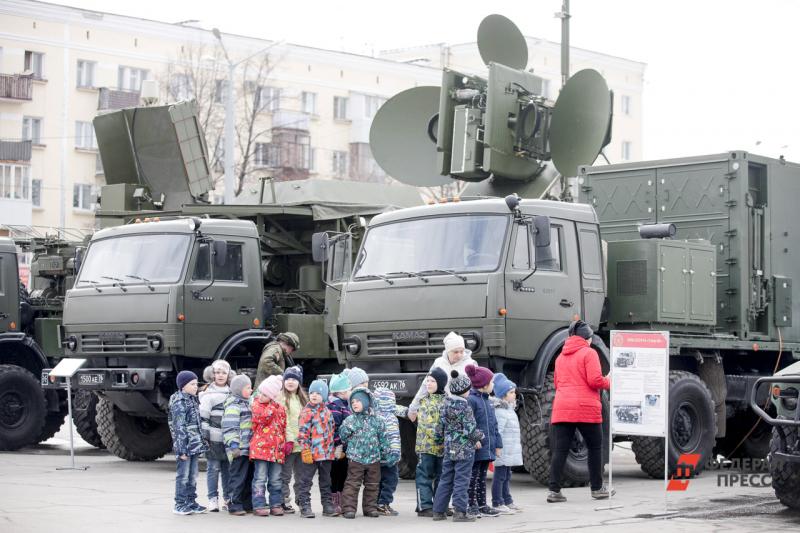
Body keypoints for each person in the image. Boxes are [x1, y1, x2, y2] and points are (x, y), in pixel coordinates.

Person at [548, 319, 611, 503]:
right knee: (595, 447)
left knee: (560, 450)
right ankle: (597, 488)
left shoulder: (561, 357)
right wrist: (609, 381)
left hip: (562, 408)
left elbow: (557, 383)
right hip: (586, 409)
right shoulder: (589, 353)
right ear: (587, 338)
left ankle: (554, 491)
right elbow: (595, 381)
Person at [432, 371, 484, 522]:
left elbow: (439, 427)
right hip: (464, 450)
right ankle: (460, 512)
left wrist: (438, 440)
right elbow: (470, 430)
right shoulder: (465, 407)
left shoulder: (445, 405)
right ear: (465, 390)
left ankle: (438, 511)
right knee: (462, 480)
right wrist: (481, 436)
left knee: (446, 478)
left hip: (449, 448)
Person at [338, 387, 389, 519]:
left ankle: (370, 508)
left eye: (358, 401)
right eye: (352, 402)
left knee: (372, 484)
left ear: (366, 402)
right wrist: (346, 429)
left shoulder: (377, 420)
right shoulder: (350, 420)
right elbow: (343, 437)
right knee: (352, 483)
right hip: (356, 458)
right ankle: (348, 508)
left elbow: (383, 438)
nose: (354, 404)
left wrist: (386, 453)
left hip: (374, 458)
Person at [408, 331, 476, 422]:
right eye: (455, 352)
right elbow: (425, 385)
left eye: (462, 351)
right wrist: (413, 408)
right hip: (444, 412)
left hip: (465, 412)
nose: (459, 355)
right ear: (448, 351)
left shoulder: (470, 364)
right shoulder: (439, 363)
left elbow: (479, 388)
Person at [168, 370, 208, 515]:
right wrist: (181, 450)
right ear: (183, 386)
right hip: (184, 447)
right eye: (192, 384)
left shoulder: (192, 399)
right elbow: (179, 428)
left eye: (196, 383)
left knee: (192, 476)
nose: (195, 386)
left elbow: (196, 424)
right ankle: (179, 504)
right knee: (183, 476)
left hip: (194, 446)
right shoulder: (179, 402)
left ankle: (191, 502)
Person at [465, 364, 503, 518]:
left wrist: (498, 444)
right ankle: (471, 505)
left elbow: (494, 425)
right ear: (484, 385)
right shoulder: (472, 401)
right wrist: (474, 439)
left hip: (487, 447)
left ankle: (482, 504)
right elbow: (468, 423)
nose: (493, 384)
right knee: (472, 478)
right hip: (477, 446)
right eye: (492, 381)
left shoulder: (488, 401)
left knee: (482, 478)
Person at [296, 379, 337, 518]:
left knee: (326, 481)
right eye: (312, 392)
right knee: (306, 480)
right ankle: (304, 505)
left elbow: (331, 432)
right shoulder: (307, 412)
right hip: (311, 453)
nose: (314, 395)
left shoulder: (327, 412)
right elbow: (302, 433)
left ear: (324, 396)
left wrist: (335, 448)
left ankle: (327, 505)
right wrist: (305, 449)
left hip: (326, 454)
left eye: (318, 393)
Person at [198, 360, 234, 512]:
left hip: (228, 438)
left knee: (227, 469)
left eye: (224, 373)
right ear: (212, 374)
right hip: (213, 439)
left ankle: (227, 498)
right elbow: (204, 417)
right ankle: (213, 499)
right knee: (213, 468)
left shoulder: (232, 392)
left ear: (228, 375)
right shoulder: (208, 393)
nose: (220, 375)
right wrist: (205, 437)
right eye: (217, 372)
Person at [250, 374, 287, 517]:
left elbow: (283, 427)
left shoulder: (281, 409)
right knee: (260, 478)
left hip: (277, 451)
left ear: (272, 395)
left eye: (265, 394)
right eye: (260, 392)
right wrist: (272, 405)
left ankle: (275, 504)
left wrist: (284, 444)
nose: (261, 396)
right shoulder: (257, 405)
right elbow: (263, 418)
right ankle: (259, 504)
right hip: (261, 450)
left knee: (276, 479)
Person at [414, 367, 447, 517]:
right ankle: (424, 506)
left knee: (443, 476)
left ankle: (440, 505)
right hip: (425, 446)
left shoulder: (448, 401)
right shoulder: (423, 401)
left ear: (440, 383)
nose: (428, 383)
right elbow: (419, 420)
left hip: (443, 447)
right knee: (424, 476)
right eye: (427, 381)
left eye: (432, 381)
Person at [278, 365, 309, 513]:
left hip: (302, 445)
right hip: (288, 445)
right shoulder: (282, 399)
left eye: (294, 379)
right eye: (288, 378)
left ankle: (301, 499)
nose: (290, 382)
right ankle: (284, 500)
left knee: (302, 476)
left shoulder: (302, 399)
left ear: (299, 382)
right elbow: (284, 422)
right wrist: (289, 439)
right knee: (285, 475)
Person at [491, 373, 523, 514]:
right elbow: (498, 432)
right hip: (502, 450)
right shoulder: (500, 411)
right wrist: (498, 447)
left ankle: (507, 500)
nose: (514, 394)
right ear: (503, 395)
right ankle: (497, 502)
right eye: (511, 392)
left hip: (509, 450)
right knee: (500, 476)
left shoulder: (509, 410)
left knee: (507, 475)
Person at [373, 387, 408, 516]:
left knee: (377, 481)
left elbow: (402, 410)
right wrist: (394, 454)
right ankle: (383, 503)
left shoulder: (373, 414)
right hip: (390, 457)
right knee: (391, 481)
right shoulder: (390, 417)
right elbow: (393, 438)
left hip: (376, 457)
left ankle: (376, 502)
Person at [222, 374, 253, 516]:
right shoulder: (233, 405)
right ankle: (234, 504)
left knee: (248, 477)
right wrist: (234, 445)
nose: (251, 390)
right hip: (238, 450)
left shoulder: (248, 403)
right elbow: (229, 427)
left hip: (248, 450)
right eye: (248, 387)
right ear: (239, 389)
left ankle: (247, 503)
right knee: (237, 478)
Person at [326, 372, 352, 515]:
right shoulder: (335, 406)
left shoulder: (342, 404)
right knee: (336, 474)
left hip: (343, 447)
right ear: (342, 392)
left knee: (341, 474)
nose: (350, 392)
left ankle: (340, 499)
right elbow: (334, 428)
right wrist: (339, 446)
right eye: (349, 390)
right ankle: (335, 500)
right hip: (337, 448)